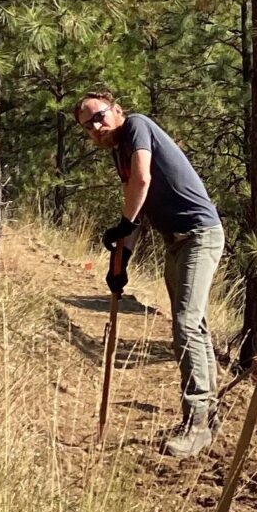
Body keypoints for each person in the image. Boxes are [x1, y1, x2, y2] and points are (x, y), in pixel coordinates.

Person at [75, 92, 224, 459]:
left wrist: (123, 224)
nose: (96, 127)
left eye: (100, 117)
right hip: (177, 242)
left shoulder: (138, 127)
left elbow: (141, 181)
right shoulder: (118, 152)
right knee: (194, 325)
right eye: (88, 125)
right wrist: (122, 258)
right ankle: (208, 416)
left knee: (186, 325)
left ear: (117, 111)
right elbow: (136, 206)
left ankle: (197, 423)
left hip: (199, 235)